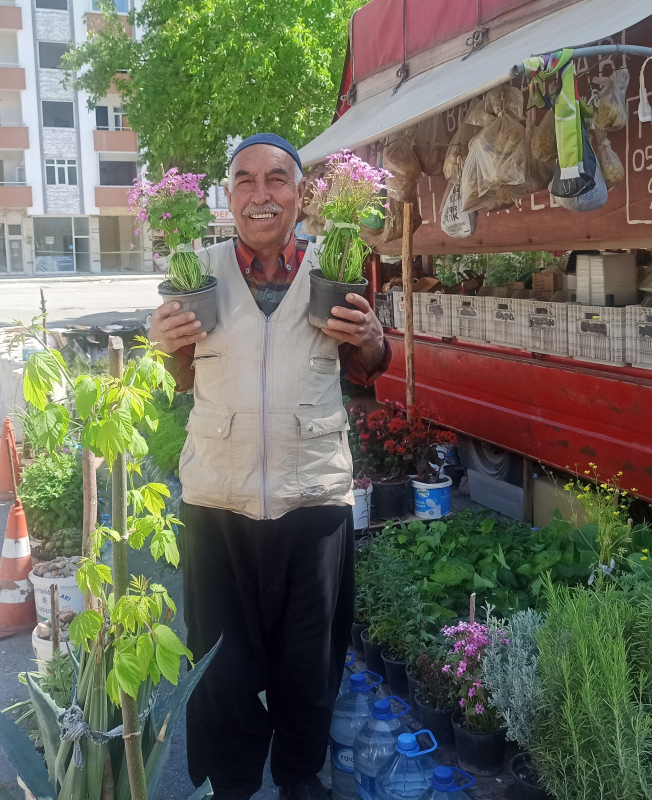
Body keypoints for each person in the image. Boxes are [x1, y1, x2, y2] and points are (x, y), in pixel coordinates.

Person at [148, 133, 391, 800]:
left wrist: (372, 340)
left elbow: (368, 366)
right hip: (217, 499)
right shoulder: (194, 270)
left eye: (278, 179)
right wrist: (163, 344)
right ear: (229, 196)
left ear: (302, 193)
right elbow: (179, 377)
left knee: (308, 665)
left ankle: (298, 778)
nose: (262, 194)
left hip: (312, 495)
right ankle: (227, 786)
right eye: (246, 181)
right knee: (219, 669)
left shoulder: (332, 265)